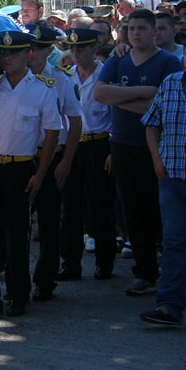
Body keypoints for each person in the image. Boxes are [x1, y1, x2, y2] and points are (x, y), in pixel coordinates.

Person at [0, 30, 61, 319]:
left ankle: (18, 294)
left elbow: (51, 134)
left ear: (28, 55)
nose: (6, 58)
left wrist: (40, 174)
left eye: (14, 53)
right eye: (3, 54)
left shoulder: (43, 88)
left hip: (20, 167)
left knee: (17, 235)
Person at [95, 9, 183, 296]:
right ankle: (144, 272)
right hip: (123, 143)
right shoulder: (118, 58)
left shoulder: (168, 63)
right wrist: (145, 92)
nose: (136, 33)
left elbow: (164, 106)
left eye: (142, 28)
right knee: (133, 209)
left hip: (159, 146)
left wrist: (124, 99)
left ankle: (170, 271)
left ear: (154, 31)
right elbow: (100, 94)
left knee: (163, 209)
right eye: (131, 28)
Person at [138, 33, 186, 326]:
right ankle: (169, 307)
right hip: (173, 177)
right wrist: (156, 159)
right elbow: (151, 123)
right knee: (174, 243)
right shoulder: (171, 84)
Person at [24, 23, 82, 302]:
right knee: (17, 221)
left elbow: (75, 120)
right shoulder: (11, 77)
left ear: (50, 50)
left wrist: (67, 161)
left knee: (48, 219)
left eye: (39, 48)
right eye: (29, 47)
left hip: (53, 153)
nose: (32, 53)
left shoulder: (61, 78)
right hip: (22, 155)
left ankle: (44, 279)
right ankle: (17, 278)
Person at [58, 28, 116, 280]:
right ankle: (71, 263)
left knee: (101, 205)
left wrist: (113, 150)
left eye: (82, 48)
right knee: (71, 206)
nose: (76, 53)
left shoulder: (106, 75)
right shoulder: (67, 77)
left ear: (94, 48)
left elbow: (116, 116)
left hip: (99, 143)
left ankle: (105, 261)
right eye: (73, 49)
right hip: (73, 144)